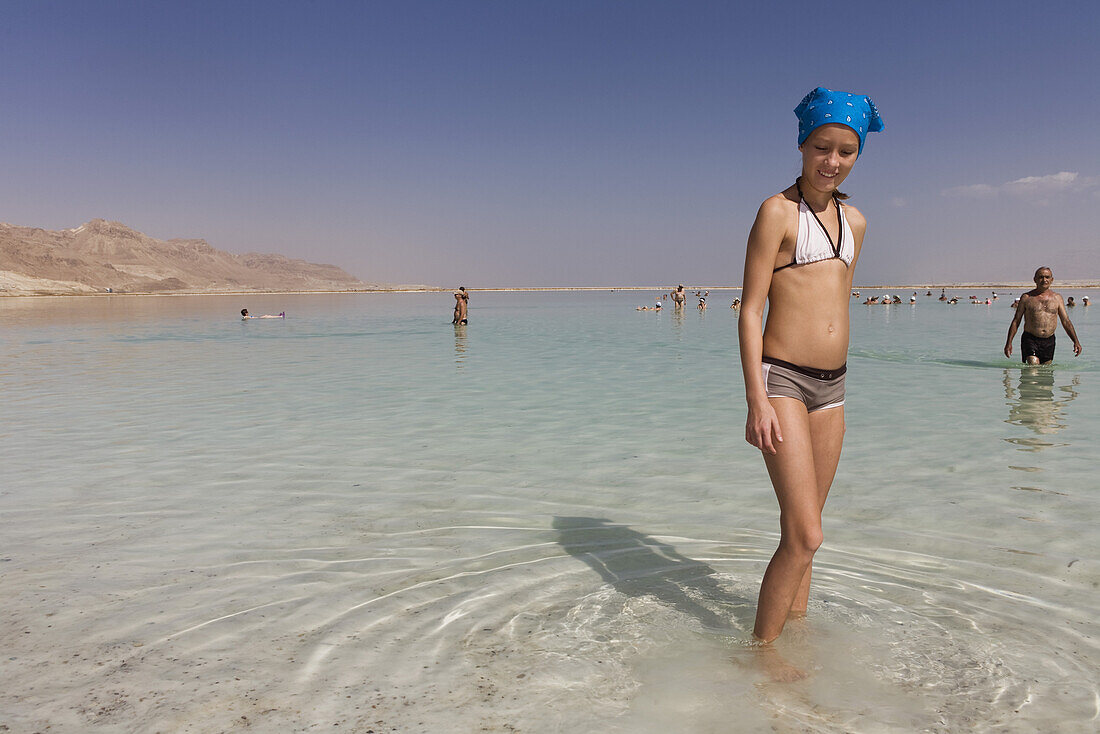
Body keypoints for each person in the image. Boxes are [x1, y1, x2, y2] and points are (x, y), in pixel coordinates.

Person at [739, 87, 882, 657]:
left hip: (834, 388)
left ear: (857, 155)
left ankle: (794, 636)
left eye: (846, 151)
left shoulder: (859, 223)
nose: (832, 161)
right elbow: (751, 309)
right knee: (806, 533)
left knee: (805, 536)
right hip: (783, 383)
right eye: (822, 147)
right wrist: (756, 398)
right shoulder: (777, 212)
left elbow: (838, 302)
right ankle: (761, 656)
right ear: (802, 145)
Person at [1004, 267, 1082, 364]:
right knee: (1033, 366)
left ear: (1052, 280)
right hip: (1030, 338)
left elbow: (1066, 321)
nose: (1044, 280)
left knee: (1046, 373)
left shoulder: (1057, 298)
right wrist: (1009, 343)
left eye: (1047, 277)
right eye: (1041, 277)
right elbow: (1016, 321)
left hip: (1049, 340)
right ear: (1035, 279)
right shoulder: (1027, 297)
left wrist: (1076, 341)